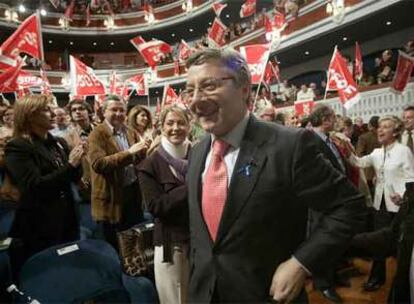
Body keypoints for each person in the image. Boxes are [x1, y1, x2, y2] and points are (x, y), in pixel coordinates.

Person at [183, 48, 365, 303]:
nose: (195, 100)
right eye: (189, 90)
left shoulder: (290, 145)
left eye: (208, 86)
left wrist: (301, 263)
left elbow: (349, 207)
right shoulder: (197, 152)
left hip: (266, 296)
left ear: (244, 88)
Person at [5, 94, 86, 268]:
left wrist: (78, 162)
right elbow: (34, 187)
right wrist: (71, 165)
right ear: (30, 115)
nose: (53, 113)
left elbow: (71, 176)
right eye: (46, 109)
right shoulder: (18, 146)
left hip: (67, 218)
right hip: (38, 225)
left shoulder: (58, 142)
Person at [345, 115, 414, 291]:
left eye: (386, 127)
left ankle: (404, 282)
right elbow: (358, 162)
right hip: (380, 205)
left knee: (401, 246)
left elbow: (411, 177)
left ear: (396, 131)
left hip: (400, 206)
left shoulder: (403, 151)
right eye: (380, 127)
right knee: (379, 244)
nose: (380, 130)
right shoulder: (376, 152)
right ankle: (377, 277)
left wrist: (401, 195)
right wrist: (345, 146)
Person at [138, 106, 191, 304]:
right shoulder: (149, 165)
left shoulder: (201, 156)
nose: (175, 128)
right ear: (161, 127)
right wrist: (191, 185)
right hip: (171, 243)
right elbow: (156, 206)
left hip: (201, 240)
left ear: (189, 125)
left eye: (181, 122)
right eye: (170, 123)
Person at [88, 95, 151, 250]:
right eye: (113, 110)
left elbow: (137, 159)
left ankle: (134, 269)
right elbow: (99, 164)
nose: (118, 113)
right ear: (103, 112)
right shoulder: (97, 134)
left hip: (132, 192)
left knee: (134, 238)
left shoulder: (130, 131)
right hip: (111, 196)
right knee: (114, 243)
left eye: (122, 110)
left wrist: (144, 149)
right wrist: (129, 152)